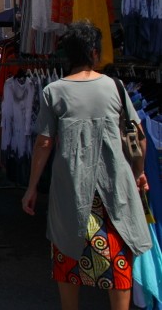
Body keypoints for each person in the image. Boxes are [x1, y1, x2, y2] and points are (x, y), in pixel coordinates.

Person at [21, 21, 152, 310]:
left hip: (71, 188)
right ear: (94, 52)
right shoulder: (115, 87)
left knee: (67, 254)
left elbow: (43, 143)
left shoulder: (54, 91)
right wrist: (139, 173)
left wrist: (31, 188)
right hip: (113, 187)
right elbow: (138, 137)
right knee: (118, 256)